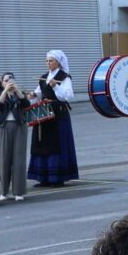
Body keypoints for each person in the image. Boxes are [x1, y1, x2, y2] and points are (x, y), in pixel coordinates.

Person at [30, 50, 81, 187]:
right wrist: (33, 95)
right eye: (47, 61)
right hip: (44, 114)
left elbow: (68, 95)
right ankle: (44, 177)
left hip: (58, 115)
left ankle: (57, 177)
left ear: (58, 62)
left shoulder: (64, 77)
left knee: (56, 144)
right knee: (43, 143)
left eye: (51, 61)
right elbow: (40, 91)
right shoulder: (44, 77)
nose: (48, 63)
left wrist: (56, 86)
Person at [0, 71, 31, 203]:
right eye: (6, 80)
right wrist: (5, 91)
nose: (9, 82)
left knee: (19, 159)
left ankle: (18, 191)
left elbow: (26, 104)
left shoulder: (18, 94)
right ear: (1, 82)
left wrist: (17, 90)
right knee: (4, 158)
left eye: (11, 80)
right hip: (4, 127)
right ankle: (3, 191)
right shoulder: (0, 93)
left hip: (19, 126)